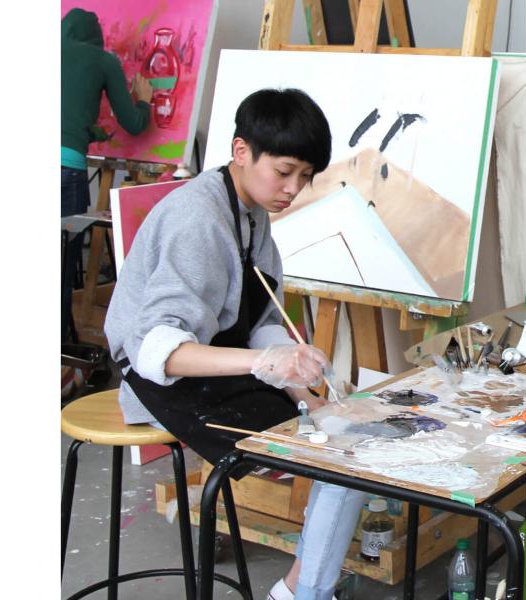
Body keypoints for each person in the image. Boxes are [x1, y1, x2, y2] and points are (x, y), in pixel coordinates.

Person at [104, 88, 366, 600]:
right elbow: (159, 351)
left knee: (345, 429)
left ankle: (302, 587)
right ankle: (303, 592)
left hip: (218, 366)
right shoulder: (198, 219)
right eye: (285, 171)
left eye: (305, 177)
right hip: (160, 381)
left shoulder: (251, 209)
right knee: (340, 455)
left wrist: (300, 383)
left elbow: (259, 317)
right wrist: (267, 361)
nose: (293, 188)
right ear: (241, 150)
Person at [61, 7, 153, 341]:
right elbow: (134, 124)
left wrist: (91, 132)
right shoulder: (103, 61)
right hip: (66, 171)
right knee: (60, 266)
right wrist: (144, 101)